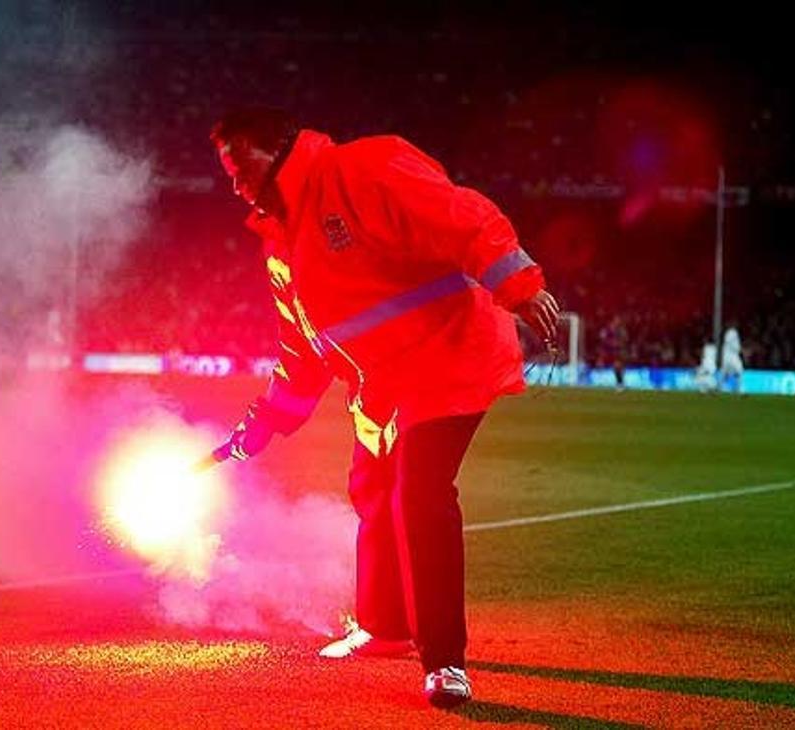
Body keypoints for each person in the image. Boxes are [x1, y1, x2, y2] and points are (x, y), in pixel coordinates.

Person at [207, 108, 559, 708]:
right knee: (372, 485)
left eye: (242, 166)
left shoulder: (363, 168)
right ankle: (385, 627)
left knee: (419, 491)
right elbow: (304, 351)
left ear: (278, 147)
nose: (235, 183)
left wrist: (519, 285)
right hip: (388, 387)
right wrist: (264, 423)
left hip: (451, 356)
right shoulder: (282, 251)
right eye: (228, 173)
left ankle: (446, 662)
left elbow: (461, 215)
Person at [720, 325, 744, 394]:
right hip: (730, 356)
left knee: (739, 371)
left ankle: (739, 389)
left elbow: (735, 345)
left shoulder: (732, 333)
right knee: (726, 373)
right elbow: (734, 346)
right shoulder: (732, 332)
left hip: (731, 356)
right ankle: (721, 387)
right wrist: (740, 350)